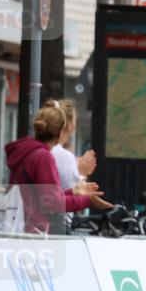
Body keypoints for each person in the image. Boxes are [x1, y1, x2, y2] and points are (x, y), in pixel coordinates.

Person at [4, 105, 104, 233]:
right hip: (34, 232)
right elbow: (51, 203)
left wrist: (73, 191)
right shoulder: (44, 157)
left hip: (20, 225)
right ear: (61, 132)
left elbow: (41, 196)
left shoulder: (26, 152)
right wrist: (87, 200)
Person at [46, 98, 101, 229]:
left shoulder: (46, 151)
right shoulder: (64, 156)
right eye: (75, 119)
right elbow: (70, 194)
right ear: (69, 124)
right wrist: (82, 172)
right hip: (55, 225)